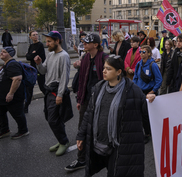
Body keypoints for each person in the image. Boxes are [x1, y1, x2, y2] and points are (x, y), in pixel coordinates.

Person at [76, 56, 155, 176]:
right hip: (99, 141)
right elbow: (89, 113)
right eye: (104, 68)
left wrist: (151, 101)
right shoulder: (99, 87)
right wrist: (81, 135)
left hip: (119, 146)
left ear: (118, 72)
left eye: (108, 69)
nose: (104, 71)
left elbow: (146, 114)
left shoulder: (133, 91)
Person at [65, 33, 108, 172]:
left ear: (95, 44)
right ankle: (81, 159)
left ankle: (105, 158)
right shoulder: (85, 58)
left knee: (101, 130)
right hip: (86, 101)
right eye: (83, 41)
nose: (84, 44)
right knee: (82, 131)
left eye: (87, 42)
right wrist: (80, 99)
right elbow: (83, 81)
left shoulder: (105, 59)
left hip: (101, 102)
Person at [34, 31, 72, 156]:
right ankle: (61, 139)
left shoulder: (64, 56)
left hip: (56, 92)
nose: (47, 43)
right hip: (48, 91)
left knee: (53, 120)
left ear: (57, 41)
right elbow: (43, 71)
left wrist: (60, 94)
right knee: (51, 118)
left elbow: (64, 77)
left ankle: (64, 141)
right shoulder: (50, 55)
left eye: (49, 41)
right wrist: (39, 63)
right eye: (47, 41)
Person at [0, 47, 29, 139]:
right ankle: (4, 130)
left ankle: (23, 130)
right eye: (1, 52)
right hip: (3, 96)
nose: (1, 53)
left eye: (4, 52)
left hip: (14, 96)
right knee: (1, 113)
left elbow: (17, 79)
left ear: (10, 54)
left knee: (18, 114)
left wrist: (11, 93)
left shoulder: (13, 65)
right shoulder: (6, 64)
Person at [25, 31, 46, 113]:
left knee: (42, 87)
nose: (35, 36)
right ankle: (26, 107)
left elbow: (32, 56)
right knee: (29, 88)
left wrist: (30, 54)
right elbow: (28, 57)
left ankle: (48, 104)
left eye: (37, 34)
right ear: (30, 37)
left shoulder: (40, 45)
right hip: (31, 70)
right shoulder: (31, 46)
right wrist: (30, 55)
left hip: (39, 69)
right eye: (33, 35)